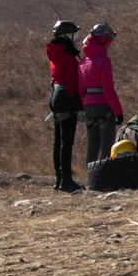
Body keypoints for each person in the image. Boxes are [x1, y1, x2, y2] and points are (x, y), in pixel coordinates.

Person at [43, 19, 84, 192]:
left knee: (58, 140)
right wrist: (79, 104)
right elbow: (73, 83)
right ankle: (66, 181)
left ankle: (59, 179)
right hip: (67, 98)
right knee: (66, 142)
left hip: (56, 97)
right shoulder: (68, 57)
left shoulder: (56, 53)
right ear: (68, 36)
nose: (76, 38)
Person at [78, 22, 124, 167]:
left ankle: (91, 178)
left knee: (92, 145)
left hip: (88, 108)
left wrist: (82, 108)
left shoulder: (83, 62)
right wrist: (118, 112)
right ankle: (105, 178)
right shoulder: (104, 61)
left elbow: (81, 89)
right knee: (107, 145)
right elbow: (108, 89)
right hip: (104, 108)